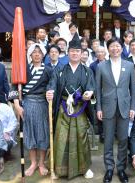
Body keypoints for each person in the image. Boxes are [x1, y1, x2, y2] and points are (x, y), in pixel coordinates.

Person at [46, 39, 95, 179]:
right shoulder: (60, 69)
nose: (74, 53)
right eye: (72, 51)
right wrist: (49, 91)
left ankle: (84, 168)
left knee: (82, 138)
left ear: (82, 53)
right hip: (63, 108)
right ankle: (58, 169)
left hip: (80, 108)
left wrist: (90, 93)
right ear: (67, 53)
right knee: (61, 138)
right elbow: (52, 84)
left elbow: (92, 87)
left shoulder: (87, 71)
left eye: (77, 51)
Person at [96, 38, 135, 183]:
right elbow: (98, 90)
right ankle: (109, 168)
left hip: (124, 107)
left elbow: (133, 89)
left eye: (117, 46)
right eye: (112, 46)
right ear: (108, 49)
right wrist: (99, 108)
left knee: (123, 139)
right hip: (107, 107)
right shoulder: (101, 66)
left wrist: (133, 107)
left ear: (121, 48)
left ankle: (121, 168)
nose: (115, 49)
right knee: (108, 140)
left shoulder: (129, 65)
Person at [9, 43, 52, 176]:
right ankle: (33, 163)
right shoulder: (23, 69)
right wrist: (17, 105)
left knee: (43, 133)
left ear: (43, 54)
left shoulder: (48, 70)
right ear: (30, 54)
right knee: (30, 133)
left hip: (43, 105)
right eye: (34, 52)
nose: (37, 54)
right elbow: (14, 87)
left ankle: (41, 163)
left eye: (39, 52)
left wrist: (51, 92)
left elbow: (53, 85)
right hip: (27, 104)